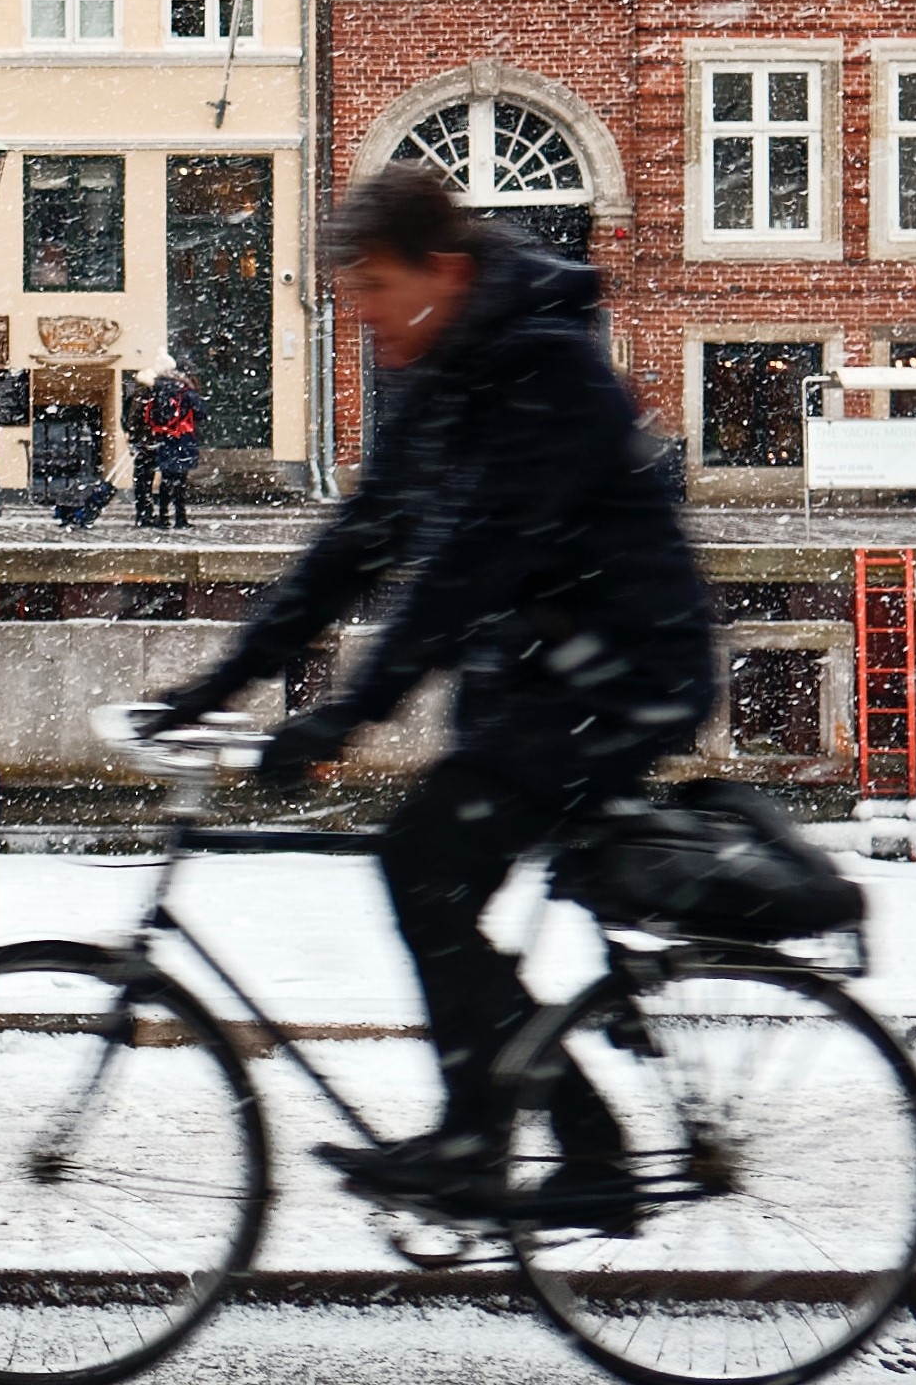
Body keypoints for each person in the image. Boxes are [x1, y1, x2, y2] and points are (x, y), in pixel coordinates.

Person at [143, 166, 718, 1221]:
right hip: (543, 677)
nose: (360, 315)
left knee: (423, 868)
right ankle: (503, 1140)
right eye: (349, 296)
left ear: (442, 271)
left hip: (624, 674)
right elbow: (361, 540)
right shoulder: (445, 368)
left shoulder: (544, 363)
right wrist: (219, 683)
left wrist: (342, 714)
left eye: (372, 290)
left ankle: (553, 1152)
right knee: (435, 883)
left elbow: (468, 568)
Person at [134, 371, 209, 529]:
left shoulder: (156, 391)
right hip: (182, 438)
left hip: (164, 439)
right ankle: (180, 518)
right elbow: (201, 413)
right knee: (180, 481)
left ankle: (163, 517)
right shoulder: (185, 392)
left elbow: (145, 416)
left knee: (166, 480)